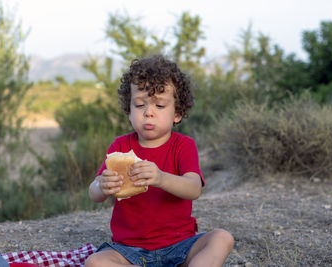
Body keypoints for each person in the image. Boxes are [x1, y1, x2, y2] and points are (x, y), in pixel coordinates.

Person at [85, 54, 234, 267]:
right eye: (139, 105)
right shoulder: (119, 146)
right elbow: (94, 193)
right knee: (95, 262)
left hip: (180, 245)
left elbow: (193, 188)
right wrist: (102, 185)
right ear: (128, 111)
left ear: (177, 113)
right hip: (129, 249)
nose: (148, 113)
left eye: (160, 106)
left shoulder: (183, 145)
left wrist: (161, 178)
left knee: (222, 238)